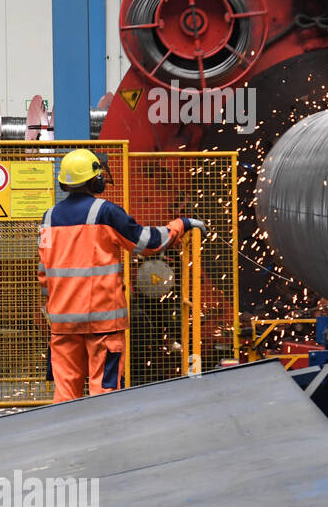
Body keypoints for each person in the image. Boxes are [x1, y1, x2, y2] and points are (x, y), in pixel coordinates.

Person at [38, 149, 205, 402]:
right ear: (96, 181)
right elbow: (149, 243)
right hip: (102, 322)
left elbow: (44, 272)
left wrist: (50, 312)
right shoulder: (106, 212)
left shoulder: (49, 218)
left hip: (63, 323)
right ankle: (104, 440)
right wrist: (180, 224)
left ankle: (68, 441)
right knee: (103, 394)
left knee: (65, 396)